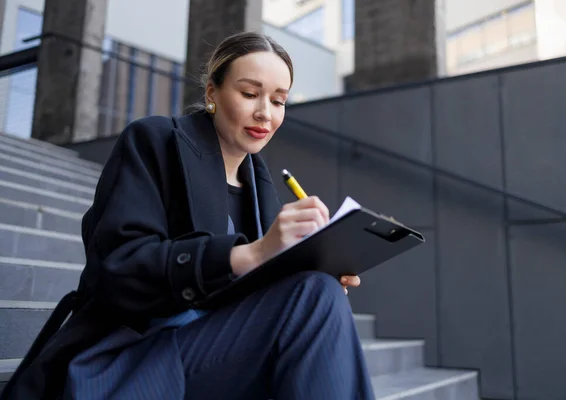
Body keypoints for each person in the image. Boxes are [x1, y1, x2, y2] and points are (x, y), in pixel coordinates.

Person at [1, 32, 376, 400]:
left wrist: (308, 264)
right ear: (212, 93)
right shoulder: (155, 141)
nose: (265, 112)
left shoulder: (262, 189)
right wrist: (253, 254)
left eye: (279, 101)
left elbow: (256, 296)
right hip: (136, 354)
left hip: (217, 350)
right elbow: (118, 268)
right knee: (315, 297)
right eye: (249, 94)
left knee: (321, 290)